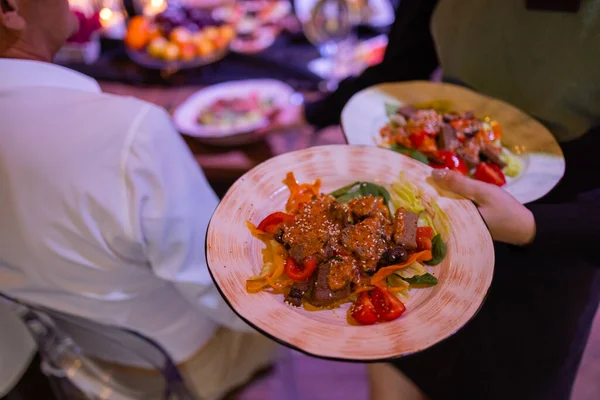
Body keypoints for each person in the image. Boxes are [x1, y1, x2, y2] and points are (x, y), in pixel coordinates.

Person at [274, 0, 600, 399]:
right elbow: (403, 62)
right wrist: (310, 112)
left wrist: (534, 227)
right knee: (399, 372)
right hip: (430, 201)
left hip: (558, 234)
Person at [0, 1, 275, 399]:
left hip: (76, 358)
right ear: (10, 9)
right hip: (185, 362)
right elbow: (224, 286)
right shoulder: (127, 131)